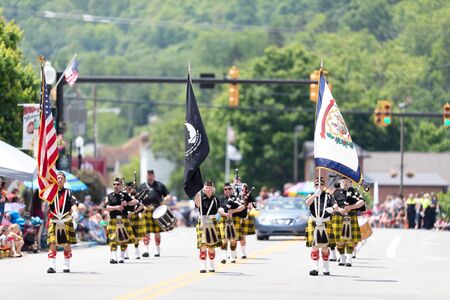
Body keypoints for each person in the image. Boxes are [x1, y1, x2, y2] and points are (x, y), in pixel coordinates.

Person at [305, 177, 341, 275]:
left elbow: (336, 206)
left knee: (325, 246)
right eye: (317, 185)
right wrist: (314, 196)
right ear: (314, 186)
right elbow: (308, 203)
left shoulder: (329, 196)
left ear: (324, 185)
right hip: (314, 222)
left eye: (321, 184)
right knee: (315, 246)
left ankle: (326, 267)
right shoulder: (311, 195)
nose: (319, 186)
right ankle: (315, 267)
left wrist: (332, 209)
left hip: (325, 222)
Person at [45, 172, 79, 273]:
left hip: (65, 220)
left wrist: (75, 212)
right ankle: (51, 265)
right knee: (52, 242)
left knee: (66, 244)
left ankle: (66, 264)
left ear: (64, 180)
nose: (59, 180)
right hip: (54, 220)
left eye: (61, 178)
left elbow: (73, 204)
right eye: (57, 178)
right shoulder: (50, 192)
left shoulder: (68, 193)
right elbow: (47, 207)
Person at [332, 176, 365, 267]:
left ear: (350, 183)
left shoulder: (354, 192)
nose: (345, 183)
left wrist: (351, 207)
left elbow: (361, 202)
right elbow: (333, 204)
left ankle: (349, 259)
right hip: (339, 218)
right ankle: (342, 258)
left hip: (351, 217)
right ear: (340, 182)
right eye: (343, 182)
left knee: (350, 240)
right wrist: (339, 209)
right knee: (339, 241)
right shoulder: (336, 193)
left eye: (347, 182)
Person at [137, 170, 170, 257]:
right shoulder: (142, 186)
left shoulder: (159, 185)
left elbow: (167, 195)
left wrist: (165, 200)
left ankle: (157, 249)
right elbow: (138, 200)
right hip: (146, 210)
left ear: (154, 176)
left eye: (151, 175)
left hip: (157, 210)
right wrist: (139, 211)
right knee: (146, 231)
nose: (150, 177)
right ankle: (146, 249)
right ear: (146, 176)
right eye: (148, 175)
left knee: (157, 231)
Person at [105, 178, 137, 264]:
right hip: (113, 219)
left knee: (124, 238)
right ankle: (113, 256)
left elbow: (135, 201)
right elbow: (107, 207)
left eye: (118, 184)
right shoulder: (109, 195)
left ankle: (121, 256)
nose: (116, 186)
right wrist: (116, 207)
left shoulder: (125, 195)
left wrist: (127, 203)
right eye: (114, 184)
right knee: (113, 238)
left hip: (123, 218)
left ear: (121, 185)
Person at [194, 180, 223, 273]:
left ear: (212, 189)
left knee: (211, 246)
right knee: (203, 245)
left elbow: (220, 209)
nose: (208, 189)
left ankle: (211, 264)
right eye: (206, 187)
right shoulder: (200, 198)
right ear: (204, 189)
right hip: (202, 221)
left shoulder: (216, 199)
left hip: (212, 221)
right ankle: (202, 266)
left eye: (210, 188)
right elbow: (197, 205)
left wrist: (224, 212)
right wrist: (197, 195)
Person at [218, 182, 245, 264]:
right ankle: (223, 257)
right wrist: (225, 213)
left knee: (233, 240)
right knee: (224, 239)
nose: (227, 190)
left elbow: (242, 206)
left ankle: (232, 256)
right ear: (224, 190)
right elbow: (219, 209)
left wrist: (233, 211)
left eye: (229, 189)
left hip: (234, 220)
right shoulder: (221, 198)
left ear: (232, 190)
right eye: (226, 189)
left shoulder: (236, 198)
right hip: (224, 219)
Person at [125, 181, 145, 259]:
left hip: (134, 217)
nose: (128, 189)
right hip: (126, 217)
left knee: (136, 235)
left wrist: (135, 212)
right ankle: (125, 252)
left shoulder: (136, 195)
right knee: (125, 235)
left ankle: (137, 251)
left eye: (129, 188)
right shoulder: (123, 195)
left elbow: (141, 205)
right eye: (126, 188)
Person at [237, 183, 256, 259]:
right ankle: (234, 253)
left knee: (242, 235)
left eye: (245, 187)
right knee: (235, 236)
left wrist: (250, 206)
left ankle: (243, 252)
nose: (243, 189)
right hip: (237, 215)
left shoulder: (249, 195)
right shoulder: (237, 194)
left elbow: (252, 204)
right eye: (242, 187)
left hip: (245, 216)